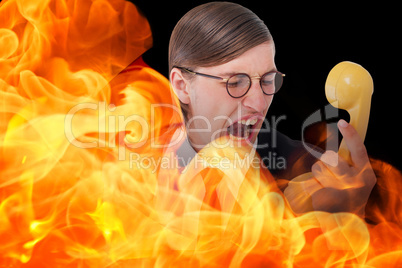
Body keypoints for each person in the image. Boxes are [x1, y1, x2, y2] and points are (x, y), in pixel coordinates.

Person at [168, 2, 376, 215]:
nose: (259, 104)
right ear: (182, 86)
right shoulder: (139, 168)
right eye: (235, 82)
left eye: (268, 80)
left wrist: (351, 218)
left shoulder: (313, 175)